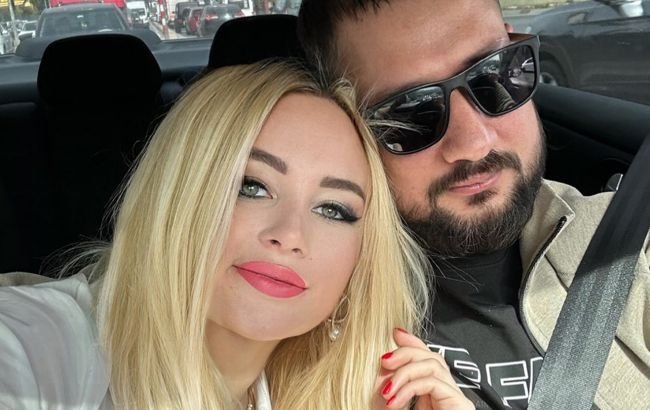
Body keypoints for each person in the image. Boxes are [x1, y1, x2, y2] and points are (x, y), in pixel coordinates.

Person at [0, 60, 473, 409]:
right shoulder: (39, 347)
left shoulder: (329, 394)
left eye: (333, 209)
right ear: (177, 193)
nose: (290, 235)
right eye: (252, 186)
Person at [297, 1, 650, 409]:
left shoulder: (629, 247)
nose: (474, 143)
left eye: (494, 74)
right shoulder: (303, 309)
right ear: (346, 127)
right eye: (410, 113)